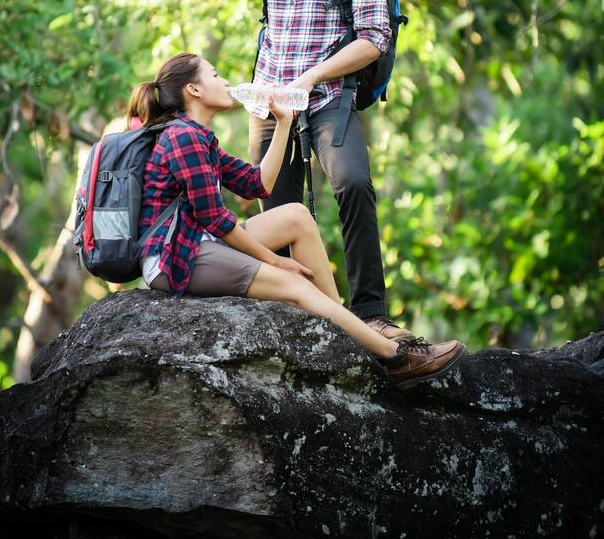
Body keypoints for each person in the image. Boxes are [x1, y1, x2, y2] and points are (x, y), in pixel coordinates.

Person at [185, 0, 421, 343]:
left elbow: (374, 37)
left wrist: (309, 78)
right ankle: (299, 315)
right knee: (276, 209)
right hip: (270, 112)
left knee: (353, 184)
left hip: (328, 99)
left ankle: (371, 312)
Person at [126, 52, 466, 390]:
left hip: (197, 242)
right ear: (194, 90)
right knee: (297, 284)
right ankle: (396, 359)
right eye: (215, 75)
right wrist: (275, 261)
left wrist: (284, 122)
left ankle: (342, 327)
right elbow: (215, 218)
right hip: (175, 258)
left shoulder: (199, 136)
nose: (225, 82)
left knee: (296, 215)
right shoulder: (183, 138)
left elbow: (258, 184)